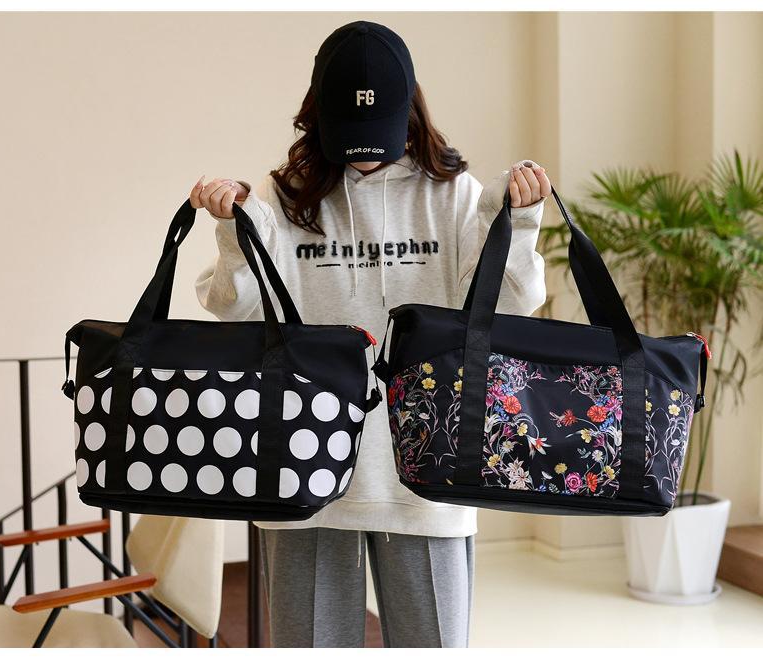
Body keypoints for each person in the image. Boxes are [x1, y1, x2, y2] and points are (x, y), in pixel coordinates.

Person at [192, 21, 550, 648]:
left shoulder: (454, 196)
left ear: (408, 111)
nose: (363, 153)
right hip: (301, 466)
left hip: (429, 470)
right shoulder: (283, 198)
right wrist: (234, 230)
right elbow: (236, 311)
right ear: (319, 116)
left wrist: (518, 223)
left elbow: (508, 307)